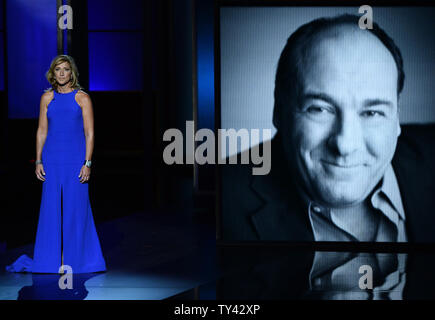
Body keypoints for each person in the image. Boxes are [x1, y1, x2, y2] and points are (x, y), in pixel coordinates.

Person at [221, 14, 435, 242]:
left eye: (372, 113)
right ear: (279, 111)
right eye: (320, 109)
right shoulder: (220, 200)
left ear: (396, 116)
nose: (345, 145)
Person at [5, 55, 106, 273]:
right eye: (58, 69)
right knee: (51, 209)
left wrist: (87, 162)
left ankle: (78, 259)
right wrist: (38, 159)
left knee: (76, 209)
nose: (62, 73)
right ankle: (53, 259)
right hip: (52, 159)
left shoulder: (82, 98)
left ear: (72, 73)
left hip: (75, 159)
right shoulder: (47, 98)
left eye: (66, 69)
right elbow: (41, 131)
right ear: (53, 73)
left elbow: (90, 133)